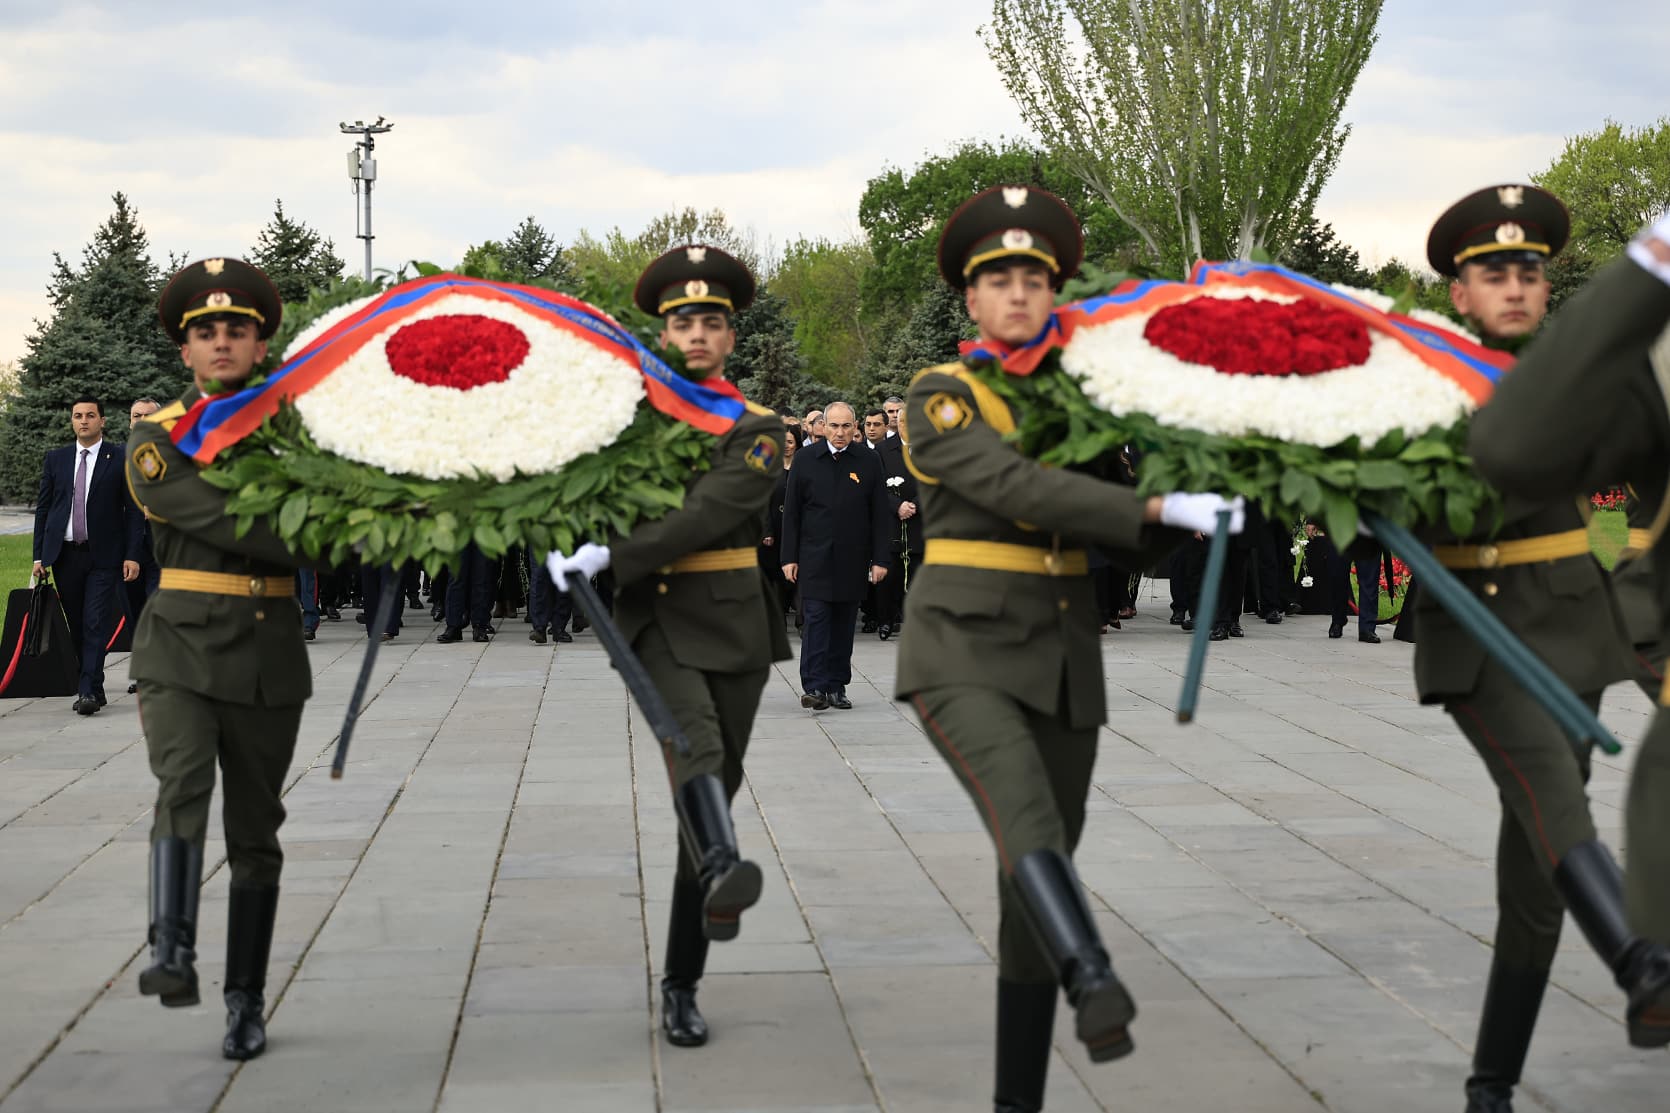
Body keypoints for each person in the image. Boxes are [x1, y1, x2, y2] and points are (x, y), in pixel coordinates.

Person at [894, 184, 1243, 1111]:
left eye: (1035, 278)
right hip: (959, 648)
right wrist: (1154, 505)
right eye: (998, 279)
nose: (1017, 294)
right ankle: (1091, 971)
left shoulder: (1085, 407)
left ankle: (1019, 1100)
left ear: (1056, 292)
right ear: (971, 299)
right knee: (1029, 822)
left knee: (1031, 873)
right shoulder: (941, 395)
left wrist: (1201, 483)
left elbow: (1130, 538)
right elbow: (1014, 487)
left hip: (1061, 657)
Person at [1412, 187, 1670, 1105]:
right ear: (1459, 292)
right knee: (1553, 797)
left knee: (1534, 876)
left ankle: (1490, 1086)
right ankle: (1644, 962)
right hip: (1480, 630)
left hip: (1575, 624)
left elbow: (1645, 471)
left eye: (1529, 271)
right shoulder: (1417, 377)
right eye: (1493, 273)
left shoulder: (1588, 370)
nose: (1515, 286)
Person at [547, 244, 790, 1050]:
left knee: (709, 783)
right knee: (696, 750)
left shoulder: (755, 428)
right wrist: (560, 532)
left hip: (734, 623)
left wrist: (615, 551)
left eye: (710, 322)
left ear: (729, 336)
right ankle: (723, 865)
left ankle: (681, 977)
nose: (696, 333)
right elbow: (574, 482)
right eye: (682, 321)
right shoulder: (628, 419)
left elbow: (713, 511)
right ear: (664, 330)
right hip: (656, 619)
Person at [126, 257, 314, 1061]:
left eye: (237, 328)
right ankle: (171, 946)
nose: (222, 340)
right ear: (185, 350)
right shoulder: (157, 435)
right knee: (182, 782)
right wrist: (292, 512)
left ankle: (245, 999)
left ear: (260, 341)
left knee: (256, 830)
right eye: (206, 331)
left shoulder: (297, 431)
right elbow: (217, 516)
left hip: (268, 651)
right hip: (178, 645)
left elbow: (315, 533)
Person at [32, 396, 143, 714]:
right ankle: (93, 683)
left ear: (102, 421)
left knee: (95, 622)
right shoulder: (57, 459)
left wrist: (133, 554)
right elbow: (44, 508)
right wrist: (39, 556)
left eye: (90, 415)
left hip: (104, 556)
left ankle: (86, 692)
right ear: (72, 421)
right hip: (66, 556)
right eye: (78, 415)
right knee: (78, 625)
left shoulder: (119, 458)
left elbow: (134, 511)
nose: (84, 421)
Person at [780, 401, 891, 709]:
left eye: (846, 426)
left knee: (843, 623)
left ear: (854, 427)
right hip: (813, 556)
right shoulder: (805, 459)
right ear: (822, 427)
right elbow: (792, 514)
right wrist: (788, 557)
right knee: (816, 620)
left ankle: (836, 685)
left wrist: (881, 559)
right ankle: (814, 686)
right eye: (834, 426)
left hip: (852, 558)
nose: (840, 433)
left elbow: (880, 514)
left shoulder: (868, 461)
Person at [874, 420, 920, 639]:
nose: (906, 425)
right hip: (892, 521)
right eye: (902, 420)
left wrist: (915, 505)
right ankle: (886, 620)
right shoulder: (883, 449)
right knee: (890, 575)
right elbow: (876, 484)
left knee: (916, 573)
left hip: (919, 521)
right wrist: (897, 506)